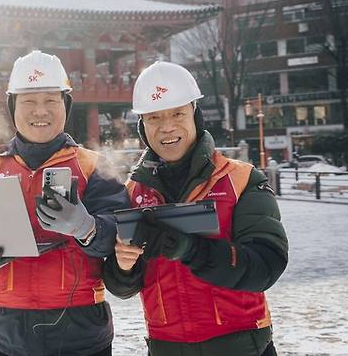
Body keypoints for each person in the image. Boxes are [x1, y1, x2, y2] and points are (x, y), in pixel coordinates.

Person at [103, 61, 288, 356]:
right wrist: (124, 266)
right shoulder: (132, 193)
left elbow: (267, 265)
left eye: (177, 113)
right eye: (154, 118)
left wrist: (191, 249)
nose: (167, 127)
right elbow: (121, 286)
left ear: (195, 114)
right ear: (142, 126)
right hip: (166, 347)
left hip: (241, 346)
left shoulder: (241, 179)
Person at [0, 50, 129, 356]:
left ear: (66, 105)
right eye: (29, 102)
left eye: (50, 101)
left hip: (82, 333)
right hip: (10, 334)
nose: (40, 112)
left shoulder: (93, 167)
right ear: (12, 107)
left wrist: (87, 228)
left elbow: (121, 238)